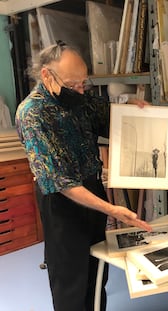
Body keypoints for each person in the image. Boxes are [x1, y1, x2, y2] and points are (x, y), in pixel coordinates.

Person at [15, 42, 152, 311]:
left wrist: (134, 110)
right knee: (70, 278)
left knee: (95, 272)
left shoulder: (79, 99)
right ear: (46, 75)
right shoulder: (32, 114)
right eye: (73, 84)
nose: (80, 90)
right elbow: (60, 181)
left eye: (83, 83)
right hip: (62, 202)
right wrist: (111, 208)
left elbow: (110, 116)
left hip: (92, 190)